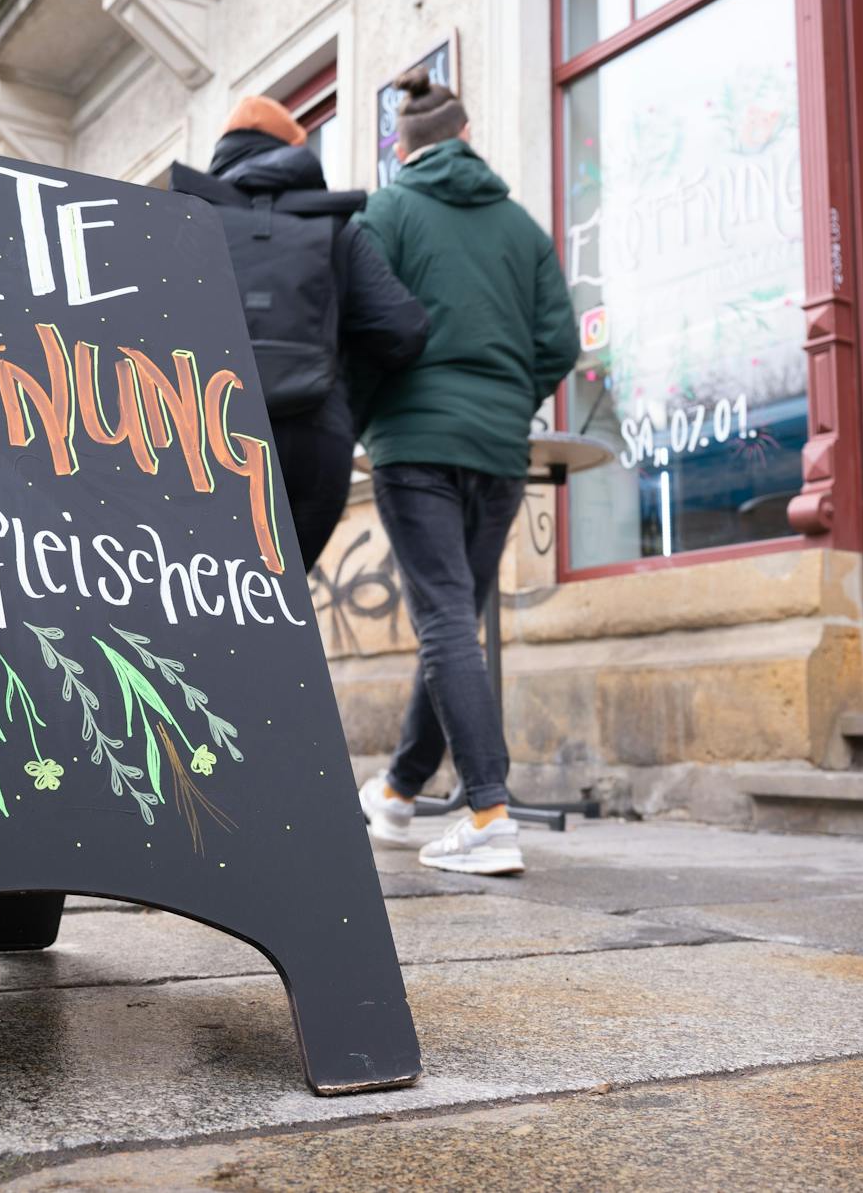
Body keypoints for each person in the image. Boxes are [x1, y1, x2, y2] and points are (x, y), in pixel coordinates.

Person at [352, 71, 579, 876]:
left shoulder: (387, 212)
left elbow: (365, 322)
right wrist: (509, 397)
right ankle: (402, 789)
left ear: (401, 146)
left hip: (415, 440)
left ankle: (488, 813)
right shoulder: (521, 228)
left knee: (446, 620)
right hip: (497, 450)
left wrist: (370, 410)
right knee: (456, 620)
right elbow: (560, 345)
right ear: (468, 131)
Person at [170, 96, 429, 569]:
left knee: (202, 612)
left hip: (204, 439)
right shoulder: (336, 230)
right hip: (313, 440)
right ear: (295, 154)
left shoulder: (180, 226)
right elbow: (403, 328)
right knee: (277, 608)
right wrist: (342, 398)